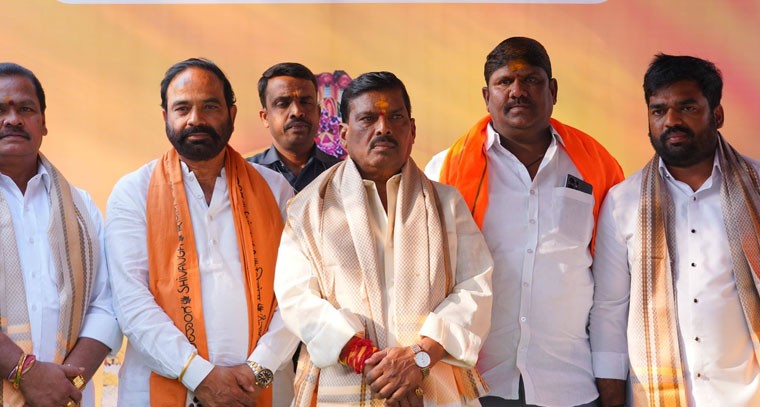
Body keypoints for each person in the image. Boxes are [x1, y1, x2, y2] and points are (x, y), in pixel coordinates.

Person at [274, 71, 493, 406]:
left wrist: (419, 358)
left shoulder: (447, 204)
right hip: (345, 379)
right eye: (367, 119)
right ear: (344, 134)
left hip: (432, 378)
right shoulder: (308, 208)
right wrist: (375, 365)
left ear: (412, 130)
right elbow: (296, 298)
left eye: (395, 117)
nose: (383, 128)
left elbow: (476, 288)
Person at [426, 37, 624, 407]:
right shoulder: (444, 170)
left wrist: (612, 375)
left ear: (553, 90)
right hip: (475, 382)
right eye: (505, 82)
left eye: (531, 80)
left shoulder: (597, 166)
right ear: (486, 95)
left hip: (571, 381)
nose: (518, 91)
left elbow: (613, 284)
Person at [106, 58, 298, 407]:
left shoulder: (276, 190)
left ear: (232, 114)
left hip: (261, 389)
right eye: (183, 108)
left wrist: (259, 370)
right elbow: (131, 301)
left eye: (210, 106)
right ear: (165, 116)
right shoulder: (133, 192)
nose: (196, 119)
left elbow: (296, 292)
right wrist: (200, 376)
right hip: (160, 389)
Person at [589, 54, 760, 406]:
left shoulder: (756, 188)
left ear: (717, 114)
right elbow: (609, 310)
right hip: (657, 396)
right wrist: (611, 397)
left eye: (687, 108)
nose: (671, 121)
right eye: (658, 110)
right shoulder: (623, 202)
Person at [0, 62, 121, 407]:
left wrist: (65, 385)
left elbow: (106, 304)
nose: (13, 119)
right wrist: (28, 375)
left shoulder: (81, 207)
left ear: (43, 123)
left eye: (26, 109)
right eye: (0, 110)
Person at [249, 62, 341, 193]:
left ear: (319, 113)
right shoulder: (244, 174)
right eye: (283, 104)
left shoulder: (341, 173)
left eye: (305, 102)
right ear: (265, 117)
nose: (297, 112)